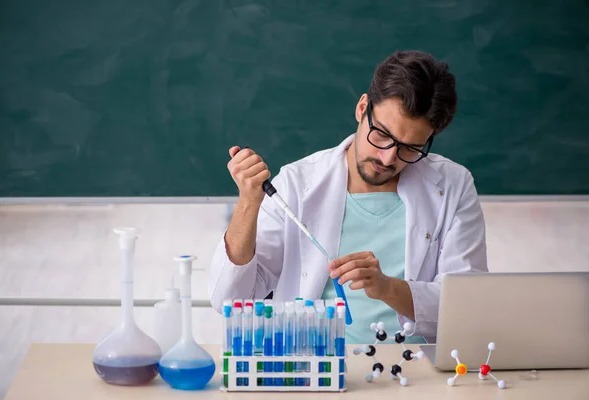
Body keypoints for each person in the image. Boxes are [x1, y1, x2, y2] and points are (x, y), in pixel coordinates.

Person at [208, 50, 487, 344]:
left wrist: (386, 288)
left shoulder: (454, 185)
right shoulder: (297, 183)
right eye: (381, 134)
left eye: (410, 148)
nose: (388, 158)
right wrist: (249, 202)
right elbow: (229, 298)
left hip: (415, 370)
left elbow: (465, 303)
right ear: (362, 108)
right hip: (317, 366)